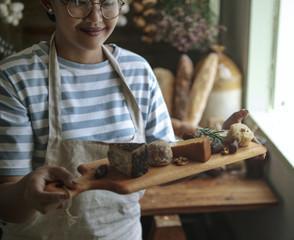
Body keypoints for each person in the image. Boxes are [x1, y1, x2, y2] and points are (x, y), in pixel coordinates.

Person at [0, 0, 253, 239]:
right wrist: (26, 194)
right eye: (78, 1)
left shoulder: (138, 72)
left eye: (108, 2)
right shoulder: (15, 78)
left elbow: (167, 166)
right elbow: (7, 205)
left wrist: (219, 144)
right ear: (47, 3)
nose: (95, 17)